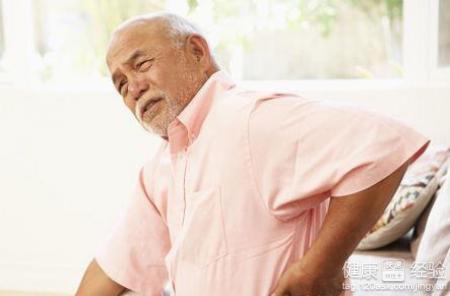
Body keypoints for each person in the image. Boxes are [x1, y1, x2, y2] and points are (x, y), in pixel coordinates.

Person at [76, 12, 430, 296]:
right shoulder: (162, 166)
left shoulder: (248, 119)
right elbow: (114, 264)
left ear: (197, 52)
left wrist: (319, 268)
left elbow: (383, 146)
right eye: (120, 83)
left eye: (142, 64)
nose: (133, 88)